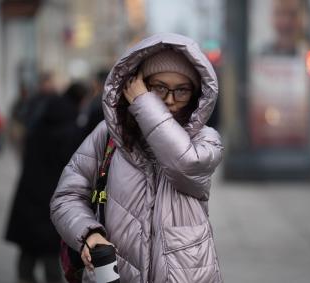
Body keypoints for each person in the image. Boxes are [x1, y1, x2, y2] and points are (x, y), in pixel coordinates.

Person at [50, 33, 224, 282]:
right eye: (159, 88)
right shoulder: (110, 134)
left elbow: (184, 163)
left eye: (182, 90)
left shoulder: (205, 139)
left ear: (195, 94)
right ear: (137, 84)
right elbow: (66, 197)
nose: (170, 100)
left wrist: (144, 102)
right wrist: (89, 234)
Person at [5, 81, 89, 283]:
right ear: (80, 100)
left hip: (29, 194)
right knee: (52, 255)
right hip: (53, 197)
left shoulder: (40, 123)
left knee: (28, 249)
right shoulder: (72, 131)